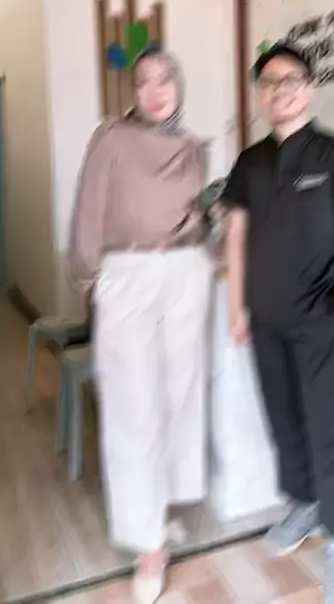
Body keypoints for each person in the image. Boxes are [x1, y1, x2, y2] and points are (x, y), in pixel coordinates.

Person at [222, 43, 334, 604]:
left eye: (290, 80)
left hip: (319, 317)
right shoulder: (249, 162)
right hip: (265, 318)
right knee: (283, 420)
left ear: (309, 87)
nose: (279, 90)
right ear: (260, 96)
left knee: (329, 430)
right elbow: (236, 237)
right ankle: (304, 504)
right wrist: (238, 307)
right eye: (268, 82)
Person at [69, 46, 213, 604]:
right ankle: (148, 546)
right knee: (133, 410)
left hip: (185, 274)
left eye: (165, 79)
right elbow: (88, 211)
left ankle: (160, 510)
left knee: (179, 399)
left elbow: (195, 217)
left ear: (179, 85)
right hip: (127, 275)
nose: (155, 91)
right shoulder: (111, 138)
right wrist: (91, 279)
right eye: (144, 81)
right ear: (133, 92)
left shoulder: (193, 148)